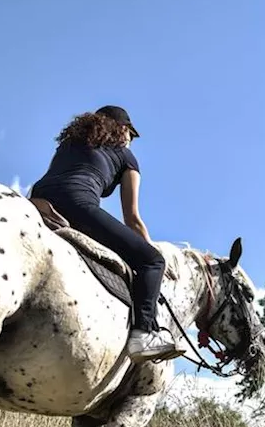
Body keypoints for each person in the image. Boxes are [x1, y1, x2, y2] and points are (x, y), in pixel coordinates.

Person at [28, 105, 182, 362]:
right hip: (76, 204)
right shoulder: (125, 156)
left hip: (38, 198)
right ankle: (143, 335)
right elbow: (132, 218)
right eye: (131, 135)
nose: (131, 141)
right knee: (152, 261)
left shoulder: (69, 143)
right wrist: (150, 247)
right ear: (123, 129)